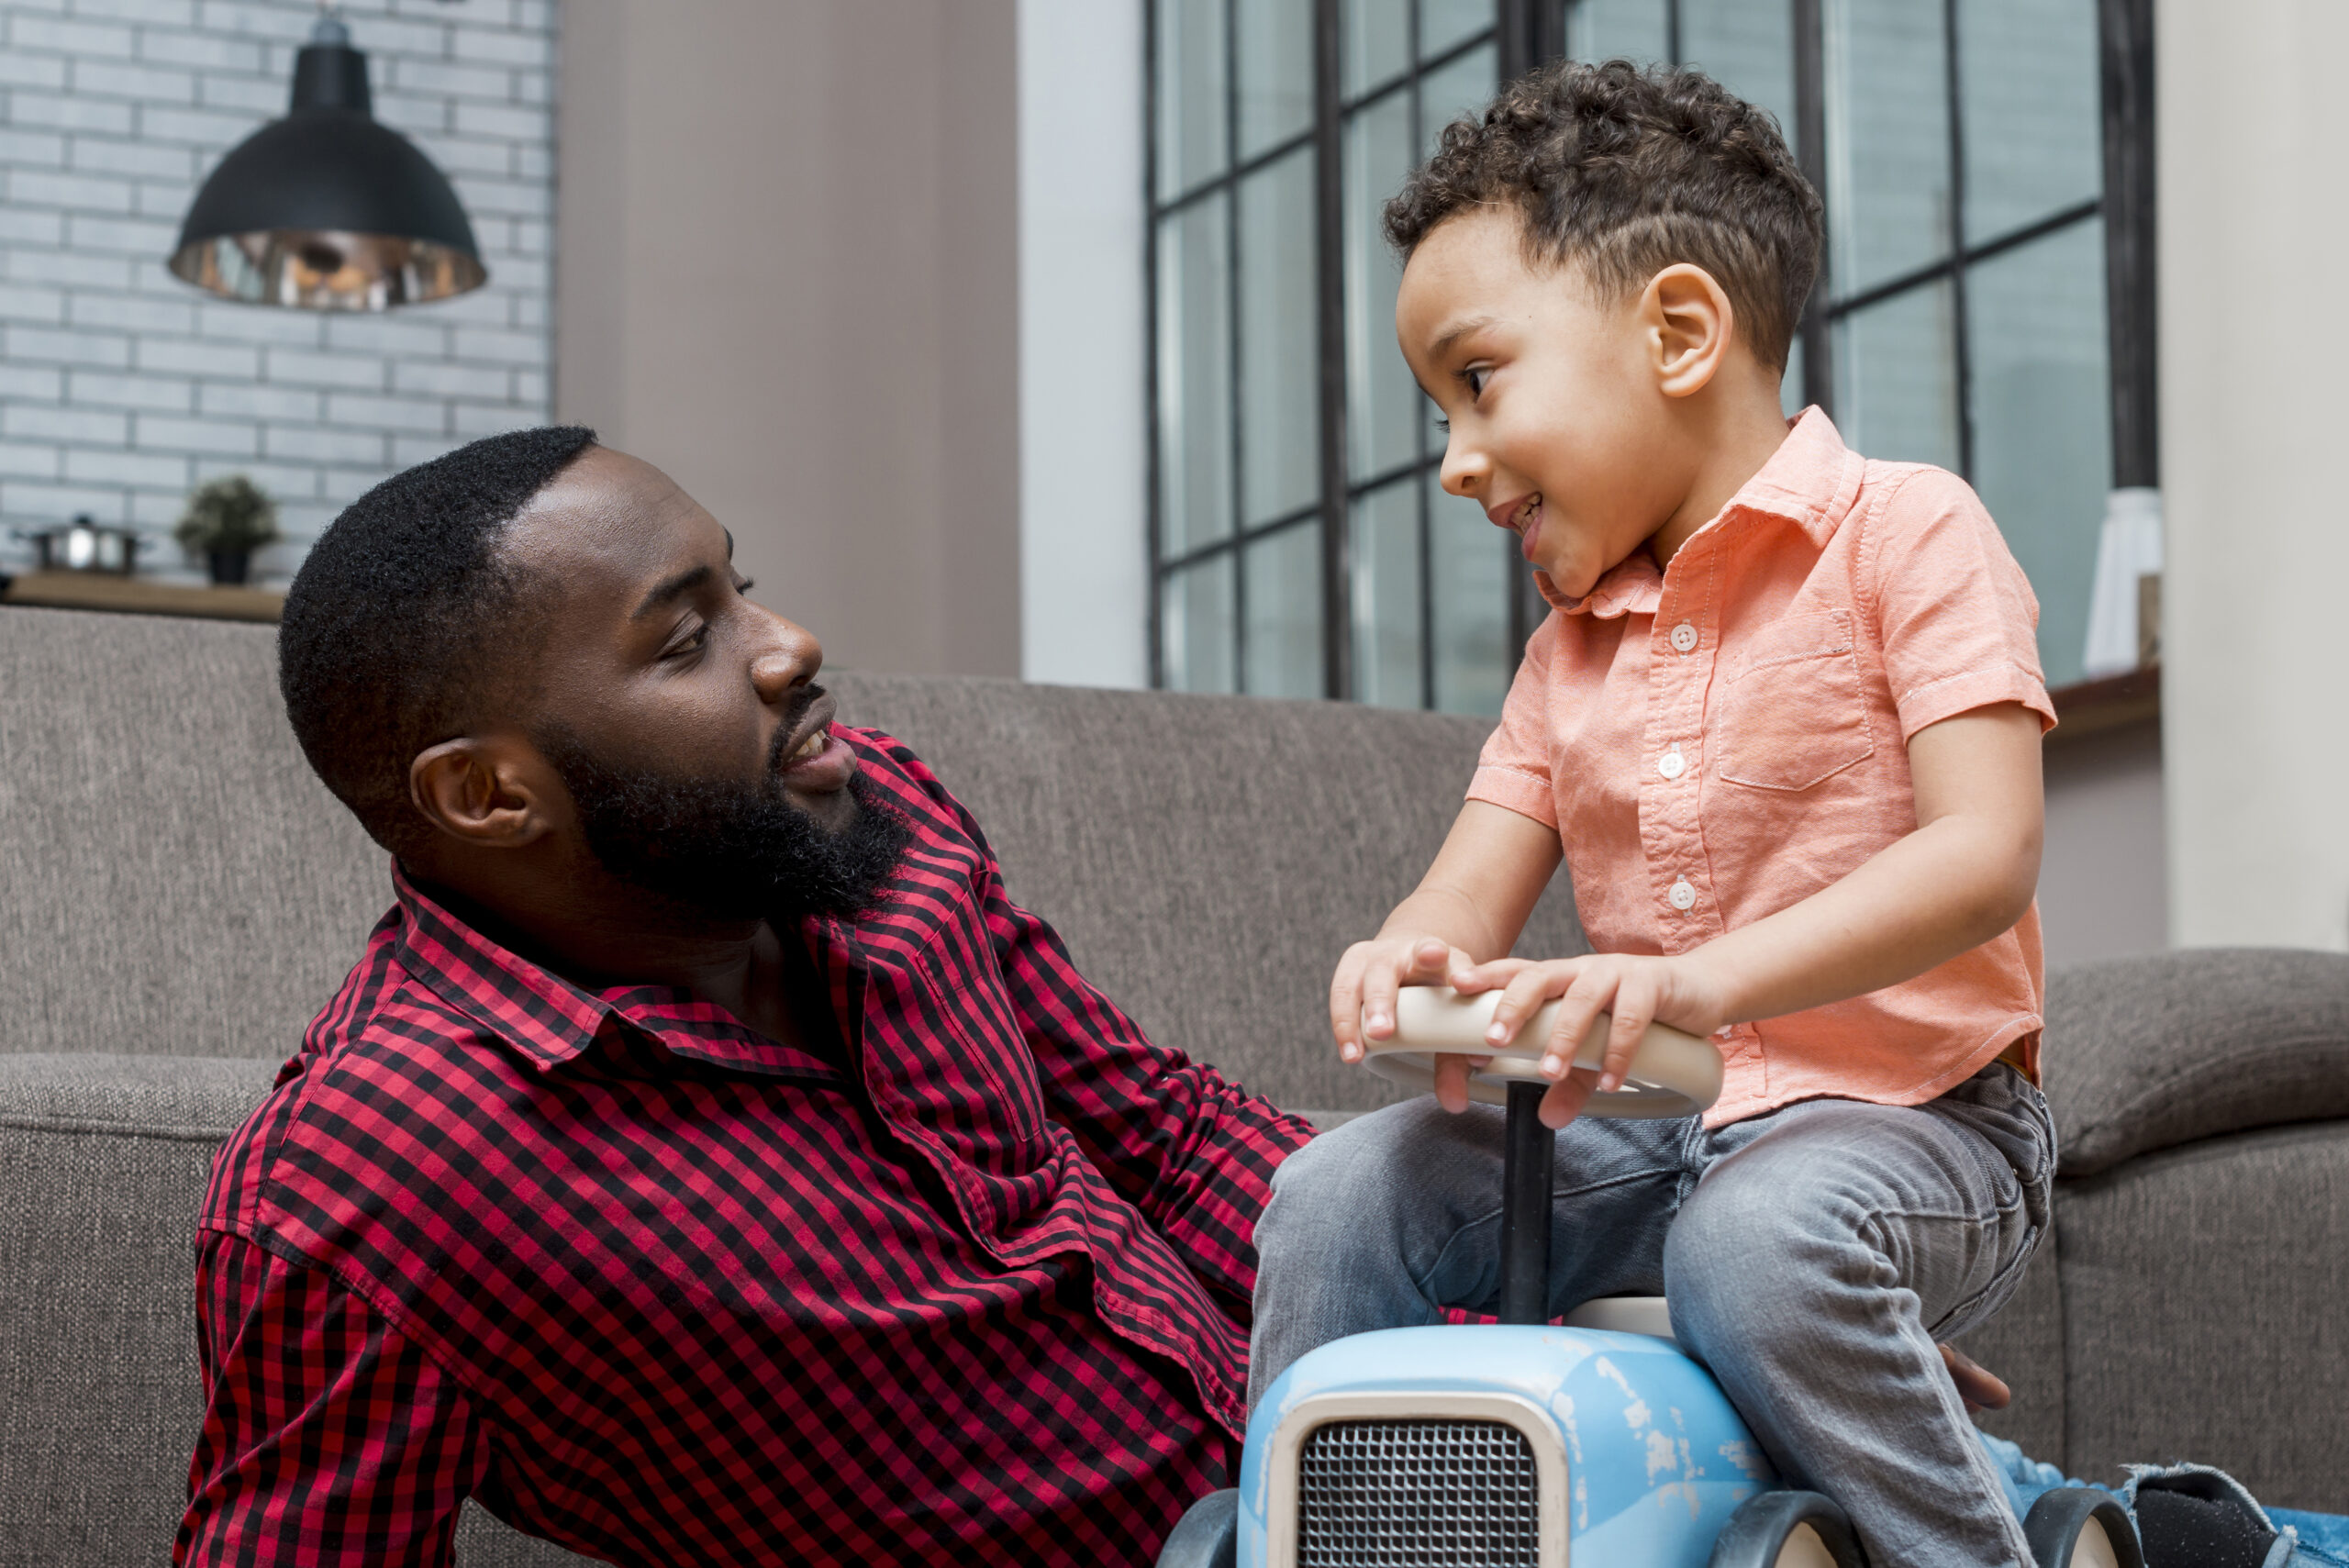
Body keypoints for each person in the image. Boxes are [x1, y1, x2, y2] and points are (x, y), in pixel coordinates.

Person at [174, 427, 1315, 1566]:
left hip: (1360, 1469)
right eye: (684, 640)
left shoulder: (869, 817)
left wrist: (1437, 1336)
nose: (789, 646)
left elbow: (1167, 1140)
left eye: (746, 589)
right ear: (485, 792)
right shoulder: (367, 1178)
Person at [1252, 61, 2061, 1568]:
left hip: (1926, 1130)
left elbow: (1981, 852)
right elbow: (1463, 894)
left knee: (1754, 1247)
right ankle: (1351, 1539)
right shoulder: (1566, 658)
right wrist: (1412, 954)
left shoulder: (1910, 531)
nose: (1453, 462)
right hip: (1684, 1143)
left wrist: (1696, 979)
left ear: (1679, 331)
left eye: (1477, 382)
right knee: (1337, 1192)